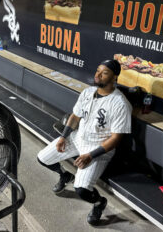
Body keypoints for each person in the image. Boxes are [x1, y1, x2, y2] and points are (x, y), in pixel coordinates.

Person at [37, 59, 132, 225]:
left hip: (98, 148)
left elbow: (116, 138)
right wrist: (63, 136)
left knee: (81, 189)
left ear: (115, 77)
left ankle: (99, 203)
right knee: (43, 158)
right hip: (77, 138)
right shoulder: (88, 92)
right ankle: (64, 175)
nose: (98, 75)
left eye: (104, 73)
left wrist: (90, 155)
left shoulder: (120, 104)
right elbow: (74, 117)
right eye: (97, 70)